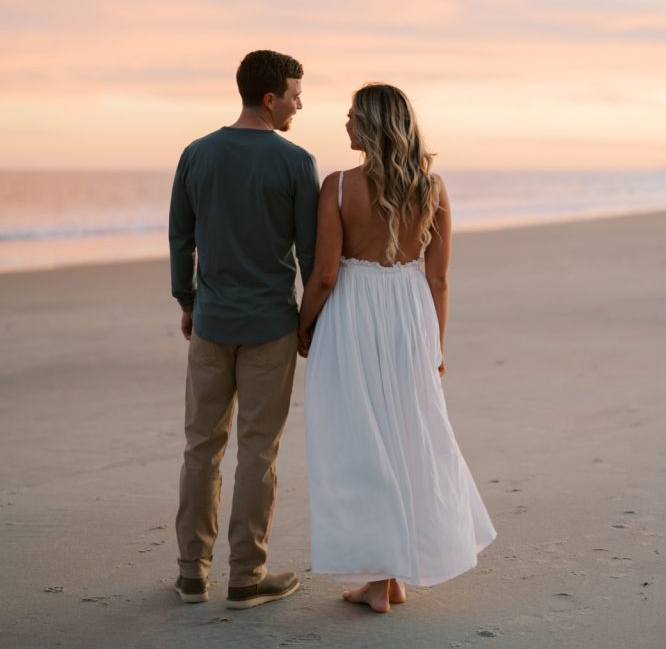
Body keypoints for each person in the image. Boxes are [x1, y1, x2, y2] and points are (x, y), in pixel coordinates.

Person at [297, 83, 496, 613]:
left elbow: (323, 275)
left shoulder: (338, 187)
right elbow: (439, 280)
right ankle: (391, 578)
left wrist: (303, 327)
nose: (344, 124)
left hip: (353, 317)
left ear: (369, 126)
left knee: (362, 442)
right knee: (410, 436)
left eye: (351, 116)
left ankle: (381, 581)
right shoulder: (432, 188)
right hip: (410, 316)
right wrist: (436, 345)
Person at [169, 50, 319, 609]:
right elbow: (308, 253)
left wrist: (187, 300)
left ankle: (191, 574)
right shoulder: (296, 162)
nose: (300, 104)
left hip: (210, 321)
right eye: (295, 94)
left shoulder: (195, 154)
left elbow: (180, 238)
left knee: (200, 449)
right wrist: (308, 324)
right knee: (258, 452)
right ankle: (245, 578)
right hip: (270, 326)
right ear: (269, 98)